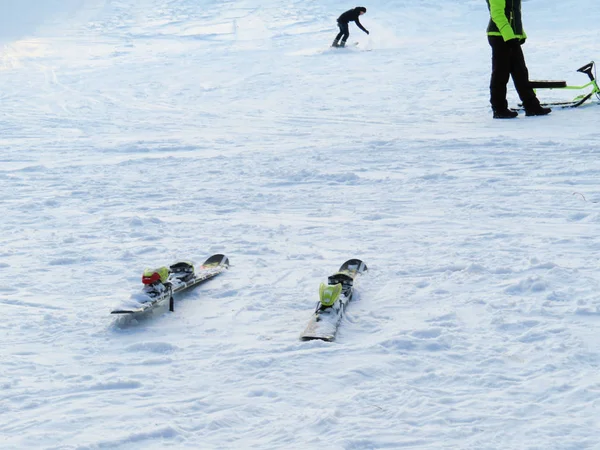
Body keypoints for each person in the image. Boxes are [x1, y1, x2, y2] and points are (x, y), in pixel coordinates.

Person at [486, 0, 551, 118]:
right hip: (499, 36)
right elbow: (497, 14)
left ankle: (531, 106)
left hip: (510, 35)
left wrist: (520, 33)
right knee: (501, 74)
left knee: (520, 72)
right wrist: (509, 36)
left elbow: (513, 14)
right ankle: (499, 109)